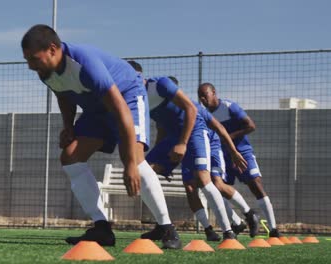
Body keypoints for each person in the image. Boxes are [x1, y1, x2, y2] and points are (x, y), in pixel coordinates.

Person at [21, 24, 181, 249]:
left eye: (34, 59)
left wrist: (129, 165)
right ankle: (102, 228)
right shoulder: (45, 73)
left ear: (53, 49)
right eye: (27, 60)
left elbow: (121, 111)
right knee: (70, 157)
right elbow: (63, 95)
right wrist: (68, 126)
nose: (30, 66)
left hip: (127, 98)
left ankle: (167, 228)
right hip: (97, 108)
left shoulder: (85, 64)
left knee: (135, 158)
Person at [127, 61, 241, 241]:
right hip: (173, 137)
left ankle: (229, 232)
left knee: (204, 180)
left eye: (129, 76)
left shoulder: (160, 84)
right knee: (145, 170)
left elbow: (191, 110)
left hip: (194, 132)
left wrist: (183, 143)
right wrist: (161, 159)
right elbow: (162, 128)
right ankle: (162, 225)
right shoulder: (137, 97)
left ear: (140, 76)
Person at [198, 82, 281, 237]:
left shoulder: (229, 107)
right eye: (200, 96)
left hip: (242, 154)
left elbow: (251, 126)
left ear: (214, 92)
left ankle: (274, 229)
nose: (203, 99)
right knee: (218, 189)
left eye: (205, 95)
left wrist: (229, 137)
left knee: (256, 185)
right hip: (222, 157)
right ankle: (238, 223)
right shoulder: (203, 114)